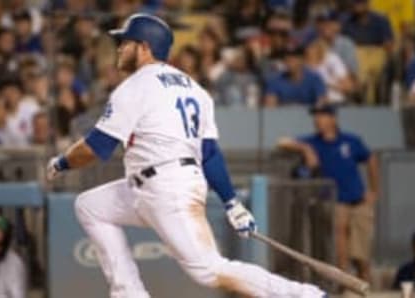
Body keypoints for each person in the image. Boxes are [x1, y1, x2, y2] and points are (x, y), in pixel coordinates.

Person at [47, 13, 325, 298]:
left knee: (208, 270)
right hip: (154, 184)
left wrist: (62, 162)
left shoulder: (135, 86)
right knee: (90, 206)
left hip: (167, 186)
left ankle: (305, 295)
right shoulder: (195, 88)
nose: (119, 48)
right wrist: (230, 202)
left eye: (125, 42)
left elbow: (97, 147)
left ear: (144, 47)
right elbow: (209, 153)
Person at [278, 105, 379, 282]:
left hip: (359, 199)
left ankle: (364, 279)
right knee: (339, 237)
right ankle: (344, 281)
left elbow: (370, 159)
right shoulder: (313, 142)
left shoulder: (350, 140)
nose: (318, 120)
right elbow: (282, 142)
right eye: (316, 116)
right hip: (334, 200)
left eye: (322, 116)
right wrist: (305, 149)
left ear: (333, 119)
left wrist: (374, 190)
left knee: (361, 249)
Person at [314, 9, 359, 76]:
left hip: (341, 81)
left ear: (338, 26)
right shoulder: (315, 45)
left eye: (330, 22)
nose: (326, 25)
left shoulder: (346, 44)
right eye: (322, 23)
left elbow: (352, 69)